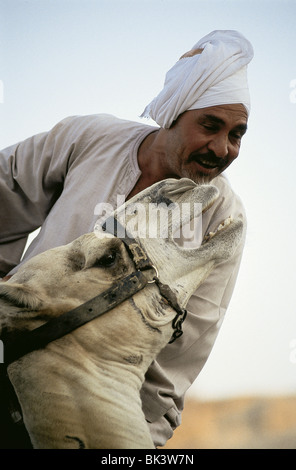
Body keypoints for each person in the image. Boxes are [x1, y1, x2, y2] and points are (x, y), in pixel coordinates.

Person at [0, 30, 253, 447]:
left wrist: (136, 441)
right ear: (173, 113)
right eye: (210, 125)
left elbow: (186, 347)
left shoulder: (222, 217)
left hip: (91, 415)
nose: (222, 147)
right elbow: (6, 186)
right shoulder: (89, 139)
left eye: (237, 134)